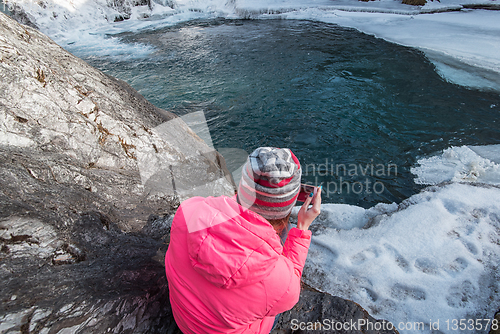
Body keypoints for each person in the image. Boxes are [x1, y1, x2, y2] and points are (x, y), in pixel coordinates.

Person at [165, 147, 322, 333]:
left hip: (184, 320)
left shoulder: (188, 211)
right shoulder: (280, 283)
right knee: (273, 308)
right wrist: (302, 228)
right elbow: (292, 287)